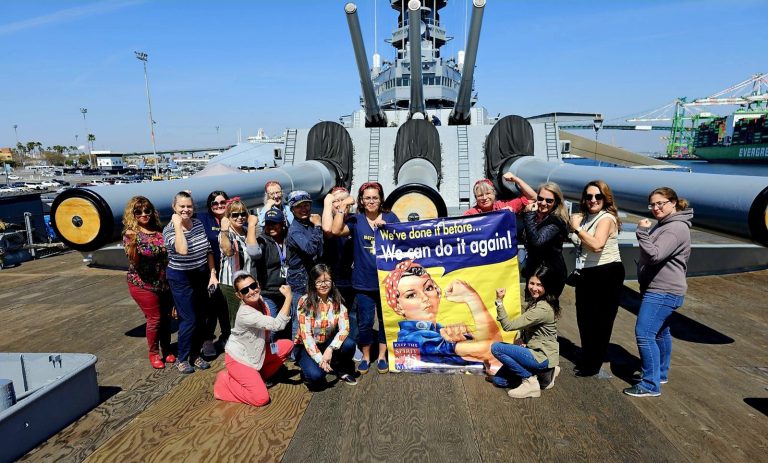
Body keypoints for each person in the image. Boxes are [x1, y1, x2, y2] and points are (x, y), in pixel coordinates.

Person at [624, 187, 692, 398]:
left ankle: (650, 384)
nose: (655, 208)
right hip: (661, 289)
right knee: (661, 332)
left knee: (644, 334)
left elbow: (655, 255)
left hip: (663, 291)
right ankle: (660, 374)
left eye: (660, 203)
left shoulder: (675, 228)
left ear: (673, 202)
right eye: (652, 204)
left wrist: (641, 232)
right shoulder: (666, 224)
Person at [331, 181, 399, 374]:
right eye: (367, 198)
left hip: (386, 281)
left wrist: (389, 229)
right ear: (361, 200)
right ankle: (366, 356)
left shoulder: (391, 217)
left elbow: (404, 240)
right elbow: (336, 230)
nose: (371, 201)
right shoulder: (356, 220)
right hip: (363, 281)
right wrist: (343, 206)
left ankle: (382, 356)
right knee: (365, 322)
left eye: (375, 197)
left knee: (385, 320)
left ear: (381, 199)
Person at [382, 259, 501, 367]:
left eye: (428, 288)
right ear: (398, 307)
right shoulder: (413, 339)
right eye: (411, 295)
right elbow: (494, 352)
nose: (425, 298)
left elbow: (494, 358)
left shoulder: (438, 330)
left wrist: (469, 339)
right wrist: (472, 298)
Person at [569, 180, 624, 378]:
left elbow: (597, 245)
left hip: (606, 273)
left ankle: (593, 364)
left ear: (605, 198)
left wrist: (576, 229)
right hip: (587, 273)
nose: (593, 200)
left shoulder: (606, 218)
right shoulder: (585, 218)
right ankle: (588, 357)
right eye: (589, 196)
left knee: (600, 321)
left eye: (598, 196)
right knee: (584, 319)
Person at [213, 272, 293, 407]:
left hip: (257, 351)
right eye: (245, 290)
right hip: (240, 359)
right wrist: (289, 297)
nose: (251, 291)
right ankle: (225, 382)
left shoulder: (260, 300)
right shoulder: (245, 313)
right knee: (261, 398)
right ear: (239, 295)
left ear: (258, 285)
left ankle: (257, 377)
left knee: (287, 345)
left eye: (253, 286)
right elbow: (277, 325)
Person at [163, 191, 218, 373]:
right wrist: (178, 226)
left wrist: (212, 273)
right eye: (181, 206)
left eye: (189, 206)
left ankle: (195, 354)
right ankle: (182, 357)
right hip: (181, 278)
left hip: (200, 275)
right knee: (189, 319)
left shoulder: (198, 224)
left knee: (201, 317)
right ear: (174, 207)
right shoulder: (169, 230)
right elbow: (182, 250)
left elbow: (208, 250)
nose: (186, 210)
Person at [490, 265, 561, 398]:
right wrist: (521, 338)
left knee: (497, 348)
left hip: (541, 356)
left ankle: (530, 381)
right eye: (532, 283)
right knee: (499, 381)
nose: (534, 288)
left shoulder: (542, 309)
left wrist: (499, 301)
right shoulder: (537, 301)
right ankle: (544, 375)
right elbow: (527, 326)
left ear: (547, 286)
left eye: (539, 285)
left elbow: (508, 326)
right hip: (532, 350)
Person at [122, 196, 174, 369]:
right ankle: (154, 353)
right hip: (143, 284)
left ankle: (167, 348)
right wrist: (132, 244)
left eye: (147, 210)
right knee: (155, 319)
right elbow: (134, 261)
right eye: (138, 212)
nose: (143, 214)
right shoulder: (131, 234)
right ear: (133, 214)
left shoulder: (159, 231)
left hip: (163, 283)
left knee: (166, 318)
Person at [295, 264, 358, 388]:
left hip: (326, 342)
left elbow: (345, 328)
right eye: (319, 282)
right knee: (316, 376)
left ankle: (341, 368)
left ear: (332, 282)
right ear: (313, 283)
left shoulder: (336, 300)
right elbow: (306, 335)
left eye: (327, 281)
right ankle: (308, 369)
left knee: (349, 344)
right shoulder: (305, 301)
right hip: (306, 346)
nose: (323, 285)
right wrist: (321, 359)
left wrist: (330, 348)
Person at [285, 190, 324, 342]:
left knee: (315, 315)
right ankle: (296, 351)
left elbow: (320, 250)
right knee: (300, 318)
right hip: (299, 281)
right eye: (298, 206)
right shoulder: (295, 230)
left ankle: (313, 346)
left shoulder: (309, 224)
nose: (303, 209)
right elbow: (310, 249)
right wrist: (318, 226)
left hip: (313, 277)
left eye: (306, 205)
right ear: (292, 209)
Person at [197, 190, 231, 356]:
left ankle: (227, 336)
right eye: (215, 203)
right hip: (209, 270)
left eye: (222, 202)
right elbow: (184, 213)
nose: (219, 206)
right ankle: (207, 339)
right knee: (210, 306)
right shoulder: (203, 219)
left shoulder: (233, 217)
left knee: (226, 306)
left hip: (229, 269)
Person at [219, 199, 261, 330]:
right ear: (228, 217)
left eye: (243, 214)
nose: (240, 217)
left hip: (248, 282)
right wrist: (224, 230)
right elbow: (228, 251)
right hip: (231, 284)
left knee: (250, 316)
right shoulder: (226, 233)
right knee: (237, 319)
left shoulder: (247, 231)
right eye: (235, 214)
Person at [521, 182, 569, 297]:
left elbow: (537, 241)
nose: (543, 203)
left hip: (550, 274)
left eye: (549, 200)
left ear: (556, 202)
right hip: (533, 272)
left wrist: (529, 215)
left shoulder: (556, 221)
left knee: (545, 306)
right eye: (540, 198)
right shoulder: (536, 217)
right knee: (532, 305)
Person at [321, 187, 356, 340]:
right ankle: (333, 345)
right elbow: (328, 230)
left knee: (353, 315)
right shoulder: (326, 219)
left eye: (343, 200)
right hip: (334, 278)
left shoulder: (354, 219)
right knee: (332, 315)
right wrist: (328, 203)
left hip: (353, 278)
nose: (340, 204)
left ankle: (352, 344)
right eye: (336, 201)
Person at [253, 207, 289, 341]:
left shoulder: (289, 238)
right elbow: (253, 252)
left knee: (287, 325)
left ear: (282, 224)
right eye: (268, 223)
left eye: (274, 223)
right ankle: (267, 351)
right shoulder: (262, 241)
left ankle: (285, 350)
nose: (270, 227)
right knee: (272, 327)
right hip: (269, 292)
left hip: (287, 291)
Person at [463, 172, 536, 216]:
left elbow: (533, 197)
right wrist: (499, 214)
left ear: (494, 193)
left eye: (488, 193)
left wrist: (516, 179)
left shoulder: (504, 206)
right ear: (476, 198)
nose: (484, 198)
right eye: (480, 195)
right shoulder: (470, 214)